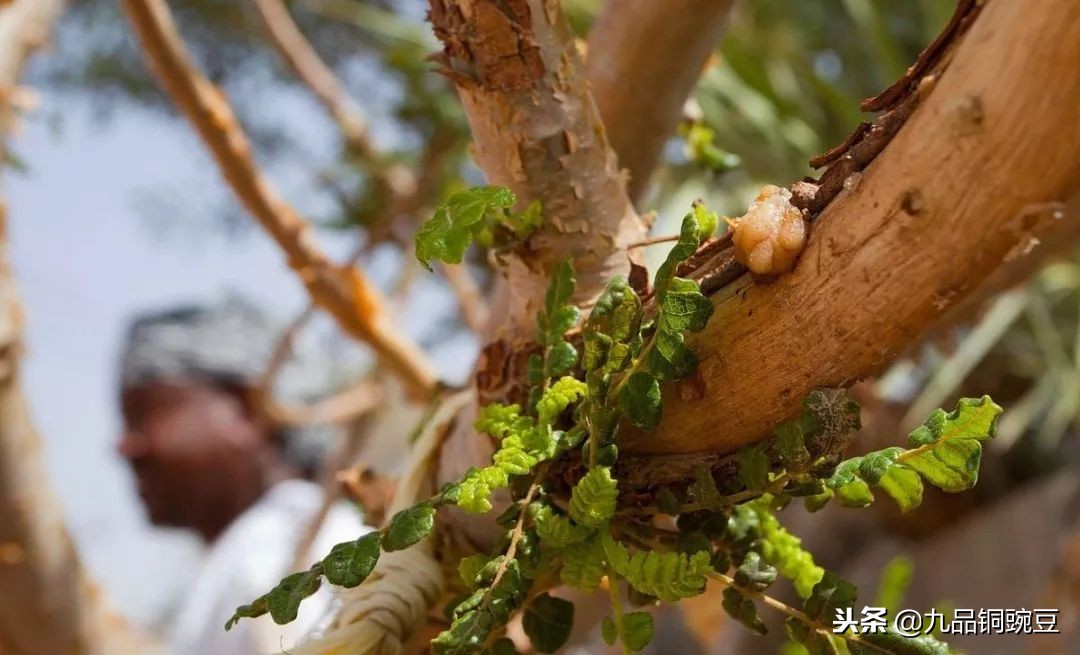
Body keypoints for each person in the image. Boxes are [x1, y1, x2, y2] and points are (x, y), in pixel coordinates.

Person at [116, 295, 369, 654]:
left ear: (247, 410)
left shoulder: (279, 556)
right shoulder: (247, 555)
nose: (125, 446)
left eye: (144, 414)